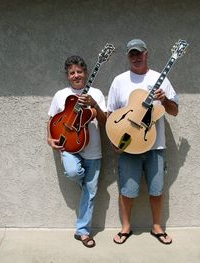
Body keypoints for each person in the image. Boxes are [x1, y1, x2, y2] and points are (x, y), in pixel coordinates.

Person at [107, 39, 179, 245]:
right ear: (128, 56)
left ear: (147, 54)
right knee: (127, 191)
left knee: (156, 189)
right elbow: (111, 113)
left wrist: (164, 100)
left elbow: (174, 111)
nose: (136, 57)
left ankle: (157, 227)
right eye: (132, 54)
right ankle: (125, 228)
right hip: (129, 146)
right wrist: (114, 138)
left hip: (155, 145)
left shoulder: (160, 79)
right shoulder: (119, 80)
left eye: (139, 53)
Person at [47, 55, 107, 248]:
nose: (76, 75)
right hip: (68, 145)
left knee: (90, 193)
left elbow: (105, 121)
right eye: (72, 72)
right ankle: (87, 188)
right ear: (67, 75)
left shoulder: (96, 93)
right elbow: (51, 119)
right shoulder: (60, 95)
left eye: (79, 72)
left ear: (86, 73)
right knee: (74, 173)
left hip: (92, 148)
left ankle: (82, 231)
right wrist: (49, 138)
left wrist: (93, 105)